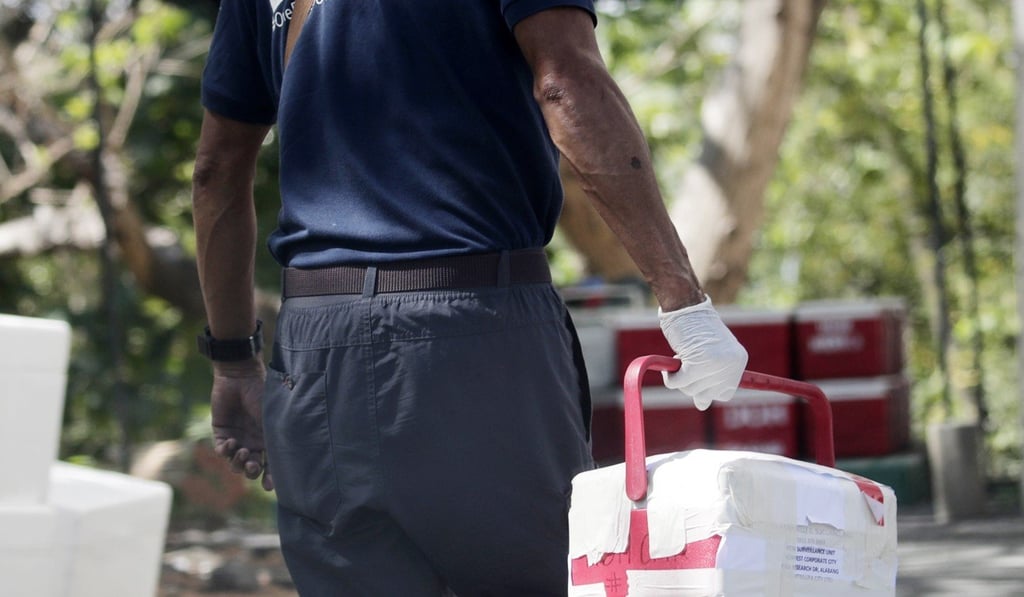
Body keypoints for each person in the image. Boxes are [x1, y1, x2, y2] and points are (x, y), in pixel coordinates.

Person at [191, 1, 748, 595]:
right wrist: (682, 299)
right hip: (473, 328)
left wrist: (232, 361)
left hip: (317, 351)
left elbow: (216, 169)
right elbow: (567, 84)